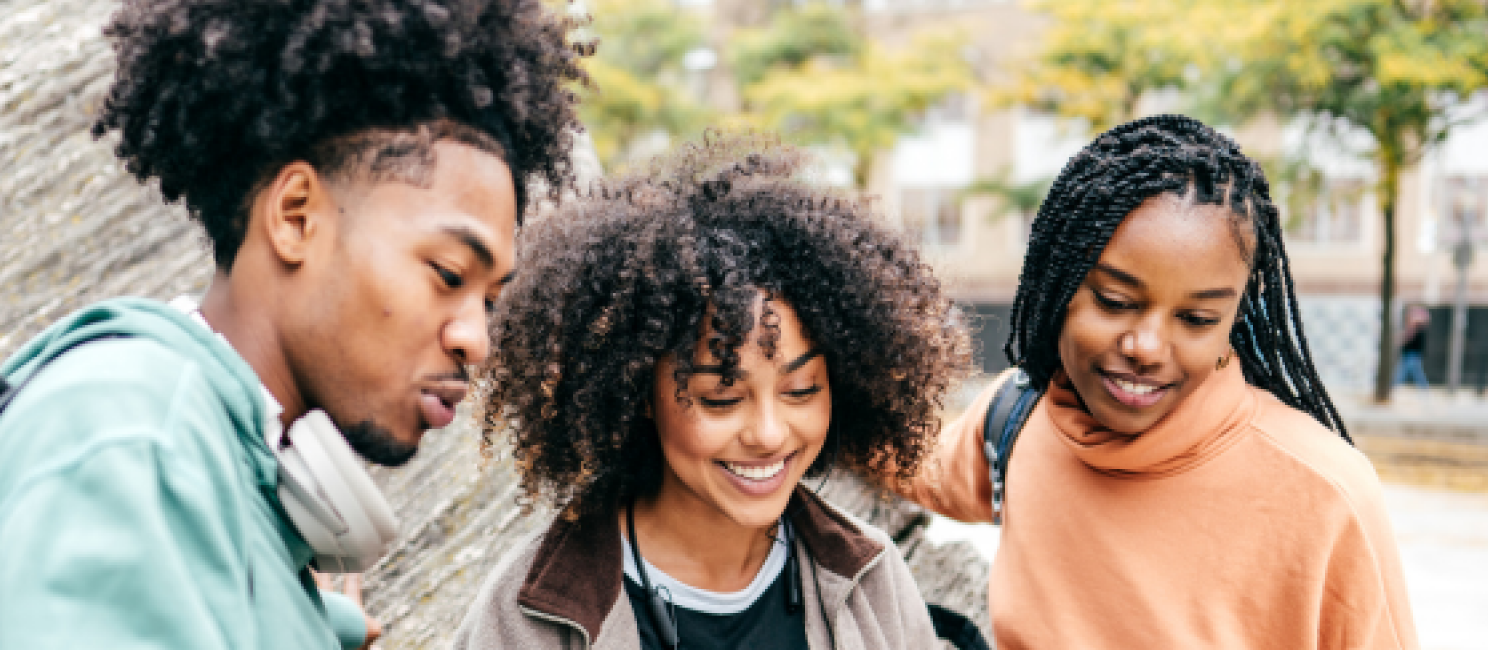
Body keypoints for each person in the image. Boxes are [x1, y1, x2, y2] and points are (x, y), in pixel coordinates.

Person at [0, 1, 586, 648]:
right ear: (297, 217)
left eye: (491, 301)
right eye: (447, 274)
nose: (476, 340)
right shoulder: (131, 446)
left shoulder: (216, 480)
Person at [900, 115, 1416, 649]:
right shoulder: (1015, 416)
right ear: (1056, 284)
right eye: (1115, 302)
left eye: (1196, 320)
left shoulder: (1328, 490)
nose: (1146, 347)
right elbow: (898, 463)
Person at [457, 135, 970, 649]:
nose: (769, 434)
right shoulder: (529, 617)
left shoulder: (871, 578)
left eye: (801, 389)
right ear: (639, 395)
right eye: (721, 399)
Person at [1398, 303, 1431, 388]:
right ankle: (1425, 389)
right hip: (1411, 355)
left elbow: (1406, 340)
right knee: (1416, 375)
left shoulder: (1416, 330)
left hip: (1412, 354)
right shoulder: (1416, 330)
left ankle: (1392, 387)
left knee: (1402, 373)